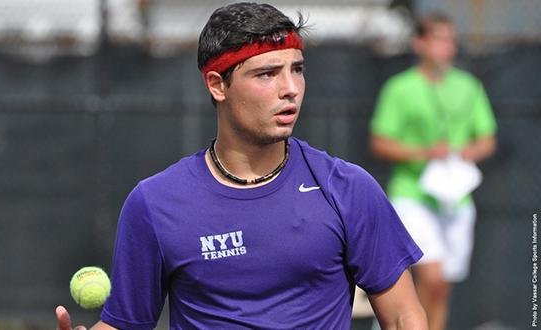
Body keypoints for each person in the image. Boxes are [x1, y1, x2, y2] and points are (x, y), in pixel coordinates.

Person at [57, 3, 427, 329]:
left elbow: (402, 318)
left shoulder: (347, 188)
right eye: (267, 74)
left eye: (296, 69)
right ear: (218, 85)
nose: (291, 89)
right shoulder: (154, 203)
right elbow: (127, 324)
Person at [370, 13, 497, 330]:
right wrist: (425, 153)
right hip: (412, 195)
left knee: (441, 287)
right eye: (439, 39)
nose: (447, 47)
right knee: (431, 275)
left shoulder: (469, 86)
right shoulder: (400, 88)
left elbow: (486, 139)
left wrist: (470, 152)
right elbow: (380, 143)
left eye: (450, 40)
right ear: (420, 44)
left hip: (456, 199)